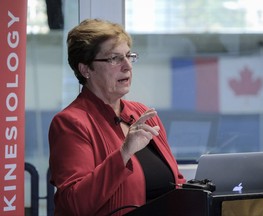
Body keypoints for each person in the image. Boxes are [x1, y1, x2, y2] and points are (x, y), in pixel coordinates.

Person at [48, 18, 186, 216]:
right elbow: (75, 204)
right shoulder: (70, 123)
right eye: (114, 58)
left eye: (129, 56)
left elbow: (177, 183)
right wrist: (124, 153)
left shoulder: (143, 114)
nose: (127, 66)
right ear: (86, 69)